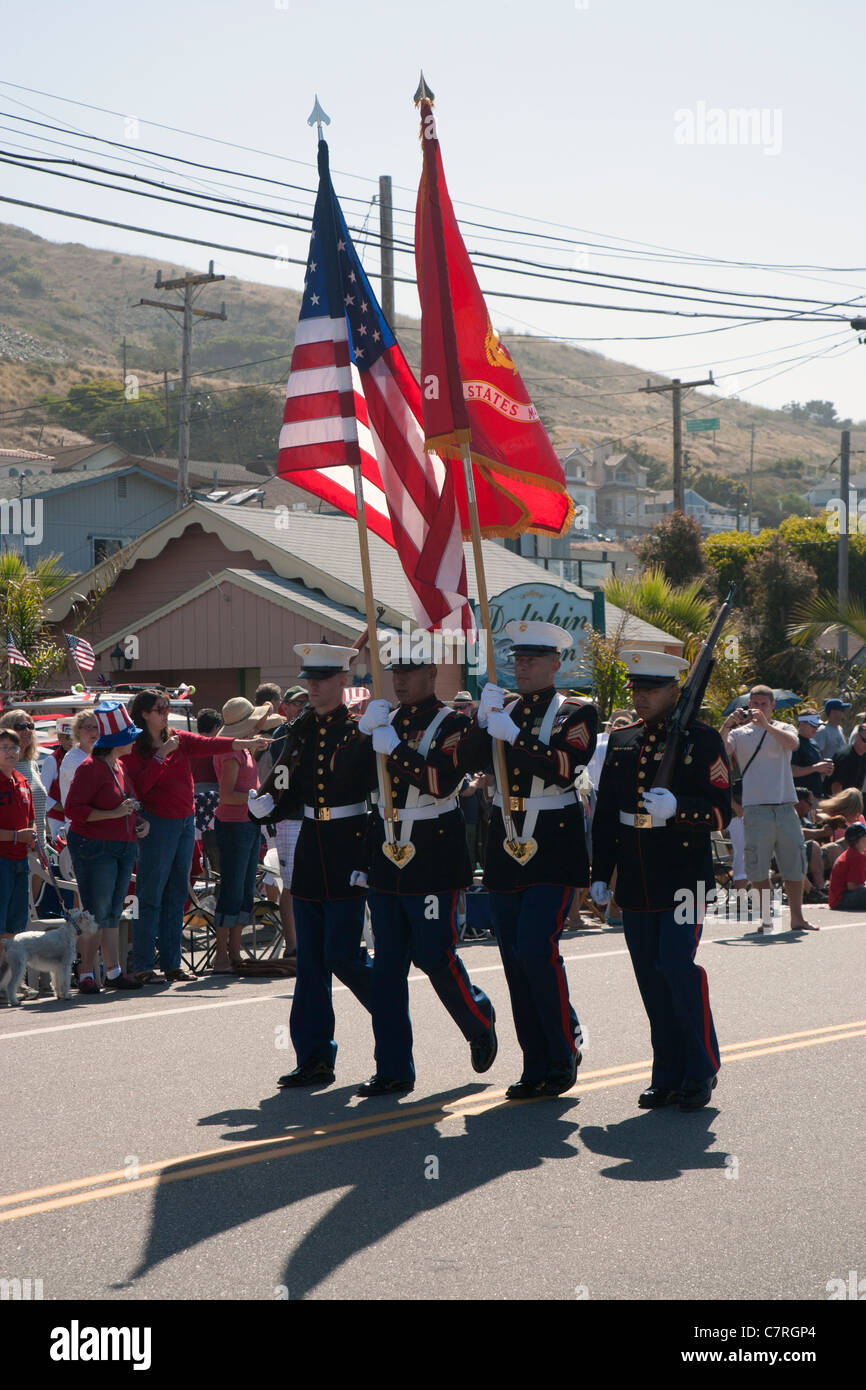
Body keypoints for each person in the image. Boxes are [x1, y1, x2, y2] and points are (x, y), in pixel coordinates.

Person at [462, 620, 598, 1099]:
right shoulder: (507, 708)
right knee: (514, 960)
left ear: (556, 664)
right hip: (504, 840)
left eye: (533, 659)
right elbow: (469, 762)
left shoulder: (576, 712)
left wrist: (514, 735)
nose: (522, 666)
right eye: (518, 659)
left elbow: (565, 767)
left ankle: (563, 1054)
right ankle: (534, 1061)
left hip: (552, 841)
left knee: (538, 951)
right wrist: (481, 723)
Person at [351, 653, 497, 1096]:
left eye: (409, 673)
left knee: (434, 956)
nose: (400, 681)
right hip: (386, 847)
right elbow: (355, 782)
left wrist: (393, 748)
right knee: (388, 967)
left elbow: (441, 782)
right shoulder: (384, 719)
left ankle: (478, 1021)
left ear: (432, 675)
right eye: (395, 673)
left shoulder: (453, 724)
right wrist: (361, 736)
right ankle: (394, 1068)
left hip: (433, 848)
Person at [591, 649, 731, 1111]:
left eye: (651, 689)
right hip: (636, 876)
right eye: (637, 689)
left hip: (685, 876)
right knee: (650, 978)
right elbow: (608, 815)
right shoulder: (624, 740)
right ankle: (667, 1075)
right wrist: (599, 875)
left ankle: (701, 1067)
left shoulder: (703, 740)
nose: (641, 697)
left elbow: (720, 812)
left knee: (675, 966)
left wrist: (681, 810)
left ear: (676, 691)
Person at [250, 643, 374, 1089]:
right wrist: (266, 800)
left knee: (343, 955)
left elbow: (378, 801)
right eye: (309, 680)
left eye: (322, 680)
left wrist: (368, 858)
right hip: (310, 848)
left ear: (344, 681)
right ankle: (314, 1058)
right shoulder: (300, 731)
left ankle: (390, 1013)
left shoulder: (361, 730)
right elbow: (286, 776)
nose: (313, 688)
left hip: (348, 848)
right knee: (310, 964)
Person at [122, 690, 270, 984]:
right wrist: (162, 755)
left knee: (178, 893)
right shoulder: (135, 749)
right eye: (160, 707)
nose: (166, 711)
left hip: (184, 822)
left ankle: (172, 963)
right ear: (144, 714)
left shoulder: (177, 736)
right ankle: (142, 964)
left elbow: (210, 744)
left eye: (167, 706)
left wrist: (245, 742)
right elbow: (140, 788)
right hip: (156, 824)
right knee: (150, 895)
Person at [64, 702, 147, 993]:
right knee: (97, 912)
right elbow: (73, 809)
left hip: (120, 845)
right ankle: (86, 973)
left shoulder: (118, 765)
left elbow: (130, 804)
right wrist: (114, 815)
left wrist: (140, 823)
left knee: (112, 912)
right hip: (95, 846)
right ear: (117, 741)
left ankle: (113, 971)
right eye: (130, 735)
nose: (135, 740)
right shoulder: (90, 767)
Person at [722, 686, 813, 932]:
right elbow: (719, 753)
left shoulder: (784, 728)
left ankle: (797, 917)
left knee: (794, 862)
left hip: (785, 807)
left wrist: (766, 726)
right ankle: (766, 919)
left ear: (772, 705)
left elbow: (793, 744)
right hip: (756, 810)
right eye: (754, 703)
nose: (758, 708)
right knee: (757, 866)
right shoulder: (740, 734)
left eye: (763, 703)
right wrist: (728, 724)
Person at [210, 698, 282, 974]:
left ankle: (233, 952)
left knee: (243, 892)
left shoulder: (242, 750)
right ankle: (222, 956)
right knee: (233, 889)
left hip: (246, 824)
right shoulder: (231, 754)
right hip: (234, 826)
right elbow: (228, 795)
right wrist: (257, 798)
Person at [256, 686, 308, 961]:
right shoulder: (283, 735)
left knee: (308, 883)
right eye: (296, 703)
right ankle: (292, 945)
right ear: (284, 708)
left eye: (305, 703)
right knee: (290, 885)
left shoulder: (309, 732)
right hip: (289, 818)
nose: (301, 707)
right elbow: (281, 780)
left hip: (310, 815)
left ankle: (307, 942)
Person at [0, 728, 37, 973]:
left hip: (20, 860)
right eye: (3, 748)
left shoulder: (22, 781)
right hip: (1, 860)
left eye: (14, 747)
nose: (10, 752)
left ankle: (10, 979)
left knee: (15, 922)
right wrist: (16, 836)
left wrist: (32, 836)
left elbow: (31, 819)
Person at [0, 711, 47, 853]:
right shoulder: (5, 767)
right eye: (20, 726)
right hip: (11, 851)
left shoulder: (31, 763)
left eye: (30, 726)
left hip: (38, 847)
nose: (27, 730)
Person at [41, 719, 74, 844]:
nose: (71, 741)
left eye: (74, 737)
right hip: (59, 818)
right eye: (67, 737)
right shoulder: (52, 760)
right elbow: (43, 793)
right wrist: (62, 808)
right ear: (60, 738)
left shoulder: (84, 757)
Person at [791, 711, 835, 800]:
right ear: (802, 723)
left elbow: (816, 769)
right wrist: (815, 768)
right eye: (813, 725)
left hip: (816, 795)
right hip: (801, 798)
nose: (816, 729)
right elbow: (791, 771)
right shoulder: (794, 743)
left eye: (817, 726)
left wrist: (825, 769)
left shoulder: (813, 743)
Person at [827, 823, 866, 911]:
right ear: (862, 838)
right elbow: (852, 886)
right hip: (842, 899)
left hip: (837, 899)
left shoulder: (851, 853)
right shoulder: (857, 857)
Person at [829, 723, 866, 796]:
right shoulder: (845, 757)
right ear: (857, 737)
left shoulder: (863, 755)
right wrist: (843, 805)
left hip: (853, 800)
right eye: (865, 740)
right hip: (839, 801)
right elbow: (835, 787)